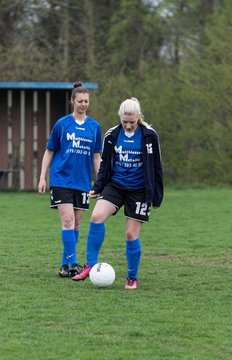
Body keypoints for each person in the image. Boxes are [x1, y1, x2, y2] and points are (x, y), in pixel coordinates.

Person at [72, 97, 163, 290]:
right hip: (116, 186)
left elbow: (157, 167)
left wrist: (156, 195)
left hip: (139, 190)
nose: (128, 126)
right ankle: (90, 265)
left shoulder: (149, 136)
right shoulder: (112, 134)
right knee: (96, 217)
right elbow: (105, 164)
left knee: (131, 234)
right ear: (120, 118)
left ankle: (132, 277)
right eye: (125, 122)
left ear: (138, 117)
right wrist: (98, 186)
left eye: (132, 122)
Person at [38, 82, 102, 278]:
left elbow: (96, 157)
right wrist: (42, 177)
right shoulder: (62, 124)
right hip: (61, 179)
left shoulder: (94, 127)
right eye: (80, 101)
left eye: (86, 101)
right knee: (67, 220)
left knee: (75, 225)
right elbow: (49, 151)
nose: (83, 104)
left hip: (82, 182)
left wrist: (99, 183)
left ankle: (64, 265)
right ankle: (73, 263)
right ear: (72, 101)